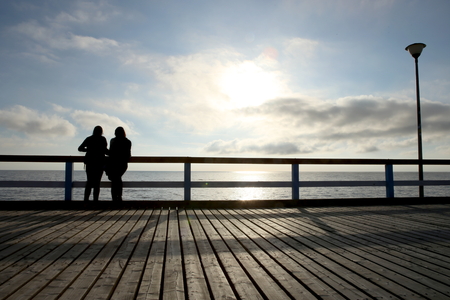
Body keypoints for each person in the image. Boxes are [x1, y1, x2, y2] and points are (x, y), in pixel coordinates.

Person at [78, 126, 108, 201]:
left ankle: (86, 201)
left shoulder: (89, 139)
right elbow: (105, 150)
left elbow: (80, 148)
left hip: (90, 163)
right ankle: (95, 201)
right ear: (101, 132)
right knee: (97, 183)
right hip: (100, 163)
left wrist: (88, 150)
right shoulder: (102, 139)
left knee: (89, 182)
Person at [107, 126, 132, 201]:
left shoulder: (113, 141)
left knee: (115, 180)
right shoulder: (127, 142)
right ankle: (119, 197)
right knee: (117, 179)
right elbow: (128, 154)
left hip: (113, 164)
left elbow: (110, 152)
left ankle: (115, 198)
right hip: (122, 164)